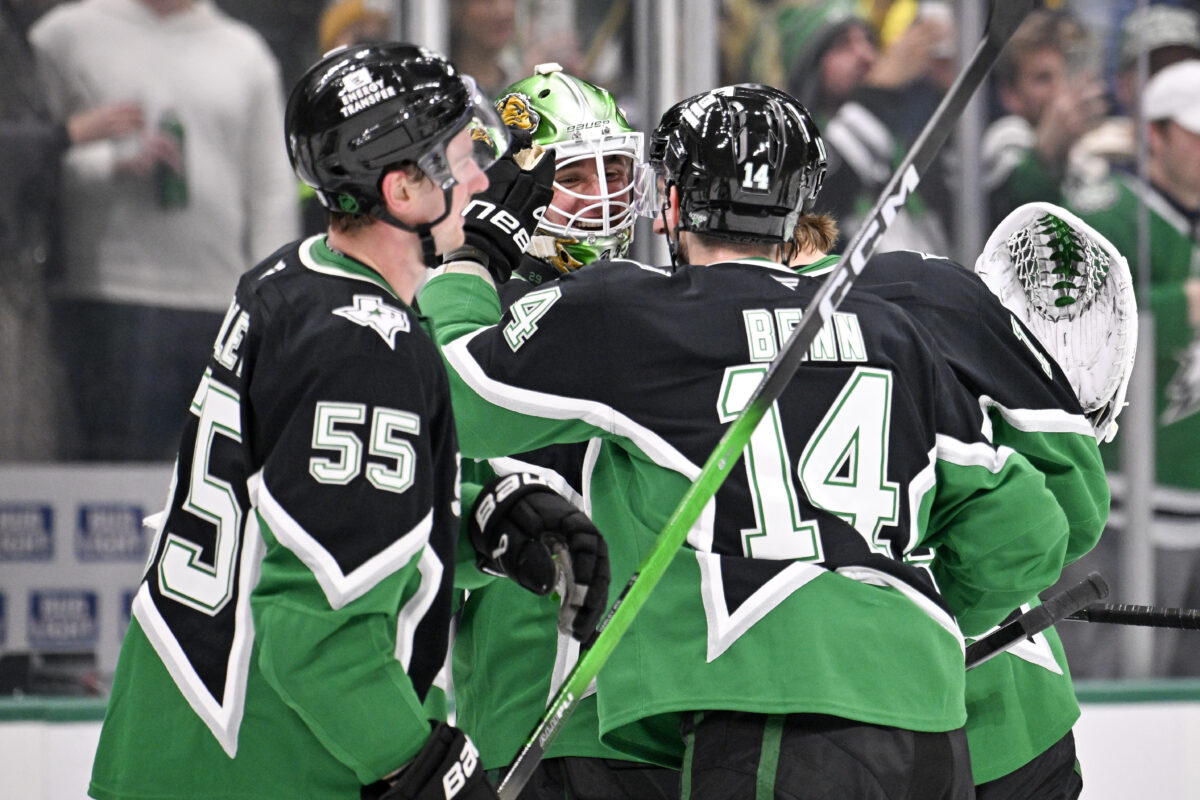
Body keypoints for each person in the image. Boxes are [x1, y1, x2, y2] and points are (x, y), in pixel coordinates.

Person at [420, 83, 1072, 797]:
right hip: (928, 723)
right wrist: (908, 620)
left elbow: (454, 395)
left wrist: (475, 253)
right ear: (800, 208)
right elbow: (1027, 535)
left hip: (766, 718)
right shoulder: (890, 332)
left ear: (669, 203)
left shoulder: (636, 315)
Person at [86, 43, 611, 799]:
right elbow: (318, 634)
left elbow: (301, 516)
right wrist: (411, 760)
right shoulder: (366, 351)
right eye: (463, 160)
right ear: (402, 191)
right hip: (273, 765)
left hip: (175, 745)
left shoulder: (292, 280)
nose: (481, 182)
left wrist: (473, 525)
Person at [791, 201, 1132, 797]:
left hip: (839, 730)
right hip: (1007, 713)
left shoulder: (688, 328)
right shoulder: (922, 287)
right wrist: (948, 614)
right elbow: (1072, 507)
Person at [439, 64, 678, 799]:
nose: (606, 198)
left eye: (617, 171)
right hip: (533, 715)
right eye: (578, 175)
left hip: (655, 712)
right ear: (516, 185)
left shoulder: (649, 303)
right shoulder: (465, 315)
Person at [29, 0, 301, 461]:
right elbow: (29, 165)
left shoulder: (244, 53)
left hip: (220, 305)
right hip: (105, 296)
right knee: (109, 489)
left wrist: (272, 310)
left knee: (214, 477)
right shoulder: (64, 37)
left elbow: (271, 193)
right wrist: (110, 161)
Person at [1065, 58, 1200, 676]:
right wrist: (1176, 308)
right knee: (1103, 692)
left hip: (1188, 502)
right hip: (1116, 506)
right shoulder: (1112, 211)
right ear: (1155, 134)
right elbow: (1066, 318)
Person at [0, 0, 144, 459]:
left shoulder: (24, 32)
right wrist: (67, 133)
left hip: (28, 272)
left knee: (30, 437)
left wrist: (111, 163)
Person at [982, 8, 1108, 230]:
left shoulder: (1091, 146)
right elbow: (1017, 213)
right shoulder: (1003, 139)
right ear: (1010, 95)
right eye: (1043, 78)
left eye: (1064, 75)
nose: (1059, 90)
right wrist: (1047, 149)